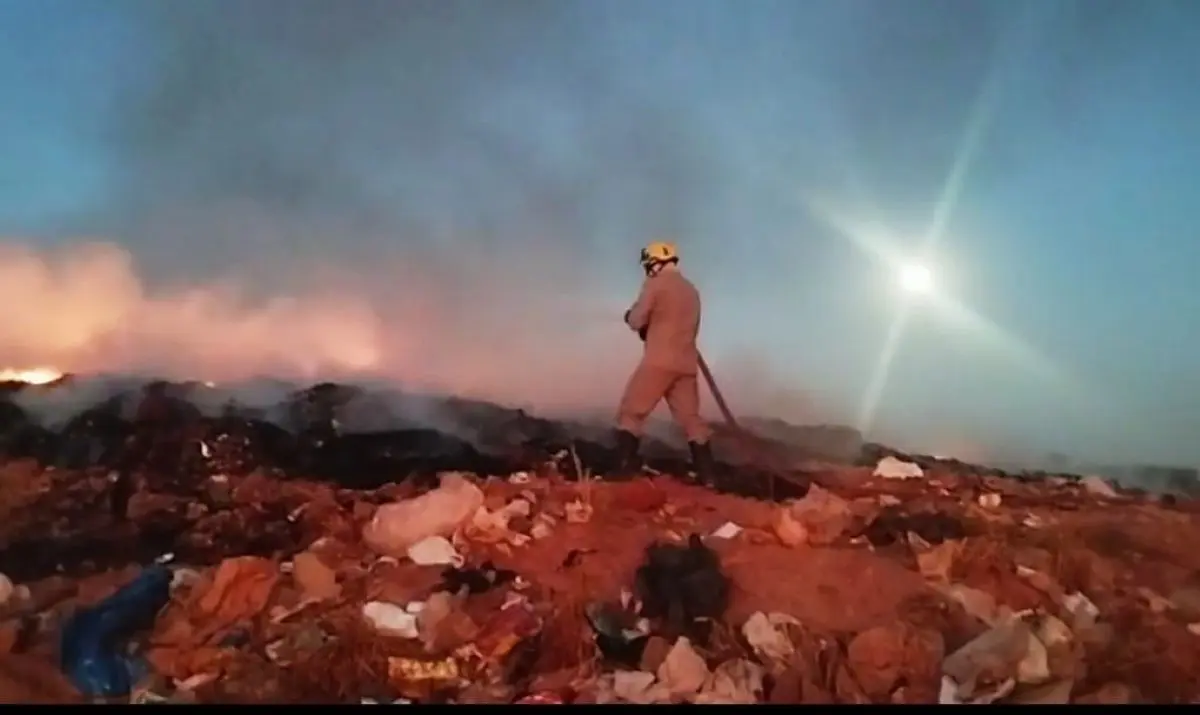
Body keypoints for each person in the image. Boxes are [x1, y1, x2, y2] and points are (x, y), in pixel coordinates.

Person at [614, 241, 715, 483]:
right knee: (691, 420)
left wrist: (630, 316)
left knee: (631, 412)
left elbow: (638, 320)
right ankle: (709, 477)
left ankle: (623, 469)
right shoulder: (692, 291)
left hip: (659, 362)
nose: (648, 269)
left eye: (649, 264)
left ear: (656, 262)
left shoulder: (656, 284)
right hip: (687, 364)